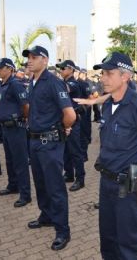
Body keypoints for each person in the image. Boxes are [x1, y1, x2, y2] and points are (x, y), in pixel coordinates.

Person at [93, 51, 137, 260]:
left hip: (130, 179)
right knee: (108, 237)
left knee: (129, 238)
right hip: (106, 178)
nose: (103, 78)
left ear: (125, 76)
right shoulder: (108, 104)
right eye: (102, 74)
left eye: (108, 73)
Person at [24, 46, 76, 251]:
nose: (29, 60)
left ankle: (63, 230)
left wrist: (62, 130)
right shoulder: (32, 82)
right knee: (40, 183)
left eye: (34, 57)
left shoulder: (54, 82)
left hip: (50, 142)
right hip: (34, 141)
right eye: (28, 57)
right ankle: (46, 216)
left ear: (45, 60)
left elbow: (70, 115)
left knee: (55, 188)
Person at [0, 58, 31, 208]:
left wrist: (24, 121)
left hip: (16, 128)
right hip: (6, 128)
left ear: (10, 69)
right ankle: (13, 185)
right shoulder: (2, 85)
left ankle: (25, 194)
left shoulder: (15, 84)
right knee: (9, 160)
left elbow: (26, 106)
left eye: (1, 68)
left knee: (20, 162)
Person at [56, 60, 87, 191]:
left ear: (70, 69)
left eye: (63, 68)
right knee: (66, 151)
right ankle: (69, 174)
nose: (61, 71)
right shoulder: (64, 82)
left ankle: (80, 179)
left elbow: (65, 89)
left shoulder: (73, 83)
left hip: (73, 122)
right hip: (64, 121)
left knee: (75, 152)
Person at [78, 68, 92, 162]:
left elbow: (89, 98)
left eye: (84, 74)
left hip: (84, 112)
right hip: (77, 113)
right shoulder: (77, 83)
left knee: (84, 134)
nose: (83, 75)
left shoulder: (85, 84)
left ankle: (84, 154)